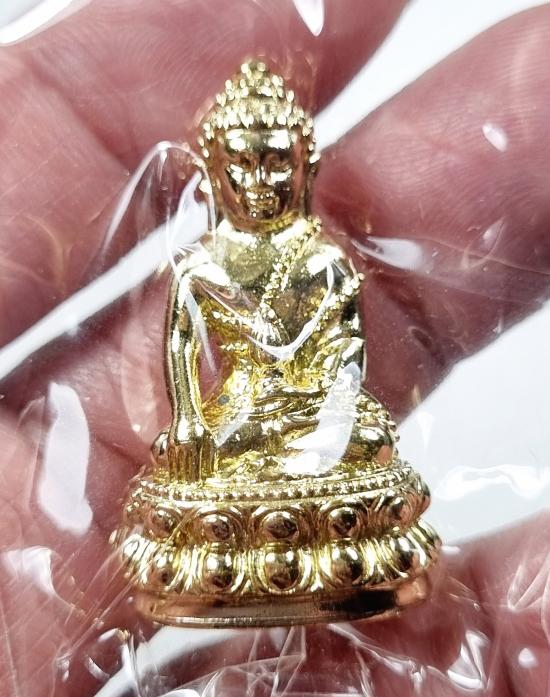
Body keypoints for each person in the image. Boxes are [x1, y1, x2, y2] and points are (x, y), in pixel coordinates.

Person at [0, 1, 548, 695]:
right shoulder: (203, 268)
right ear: (218, 174)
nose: (260, 182)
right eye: (244, 166)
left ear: (301, 169)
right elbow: (183, 364)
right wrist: (193, 427)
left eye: (275, 165)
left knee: (366, 441)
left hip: (310, 414)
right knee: (198, 463)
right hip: (242, 418)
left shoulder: (321, 261)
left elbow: (344, 362)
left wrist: (331, 419)